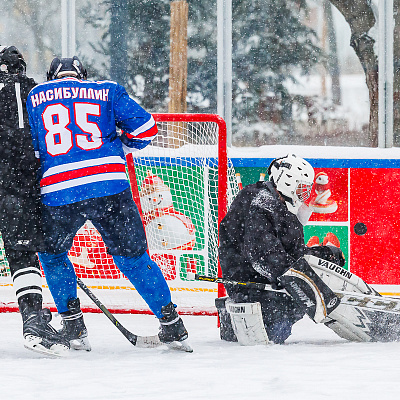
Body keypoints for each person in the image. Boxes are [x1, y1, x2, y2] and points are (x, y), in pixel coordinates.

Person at [26, 56, 191, 351]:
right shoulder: (108, 89)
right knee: (134, 259)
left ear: (52, 77)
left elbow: (34, 150)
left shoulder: (35, 95)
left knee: (52, 257)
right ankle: (172, 324)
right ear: (82, 75)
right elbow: (147, 129)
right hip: (110, 184)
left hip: (59, 190)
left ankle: (74, 326)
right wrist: (119, 144)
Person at [218, 154, 345, 344]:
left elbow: (290, 251)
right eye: (302, 187)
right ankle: (244, 324)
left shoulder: (272, 200)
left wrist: (323, 254)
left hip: (255, 285)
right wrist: (320, 259)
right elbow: (268, 258)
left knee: (289, 311)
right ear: (286, 182)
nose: (304, 193)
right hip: (252, 288)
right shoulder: (261, 203)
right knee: (280, 324)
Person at [0, 45, 69, 355]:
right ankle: (33, 318)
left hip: (7, 178)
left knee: (22, 252)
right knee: (22, 254)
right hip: (26, 184)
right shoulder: (39, 92)